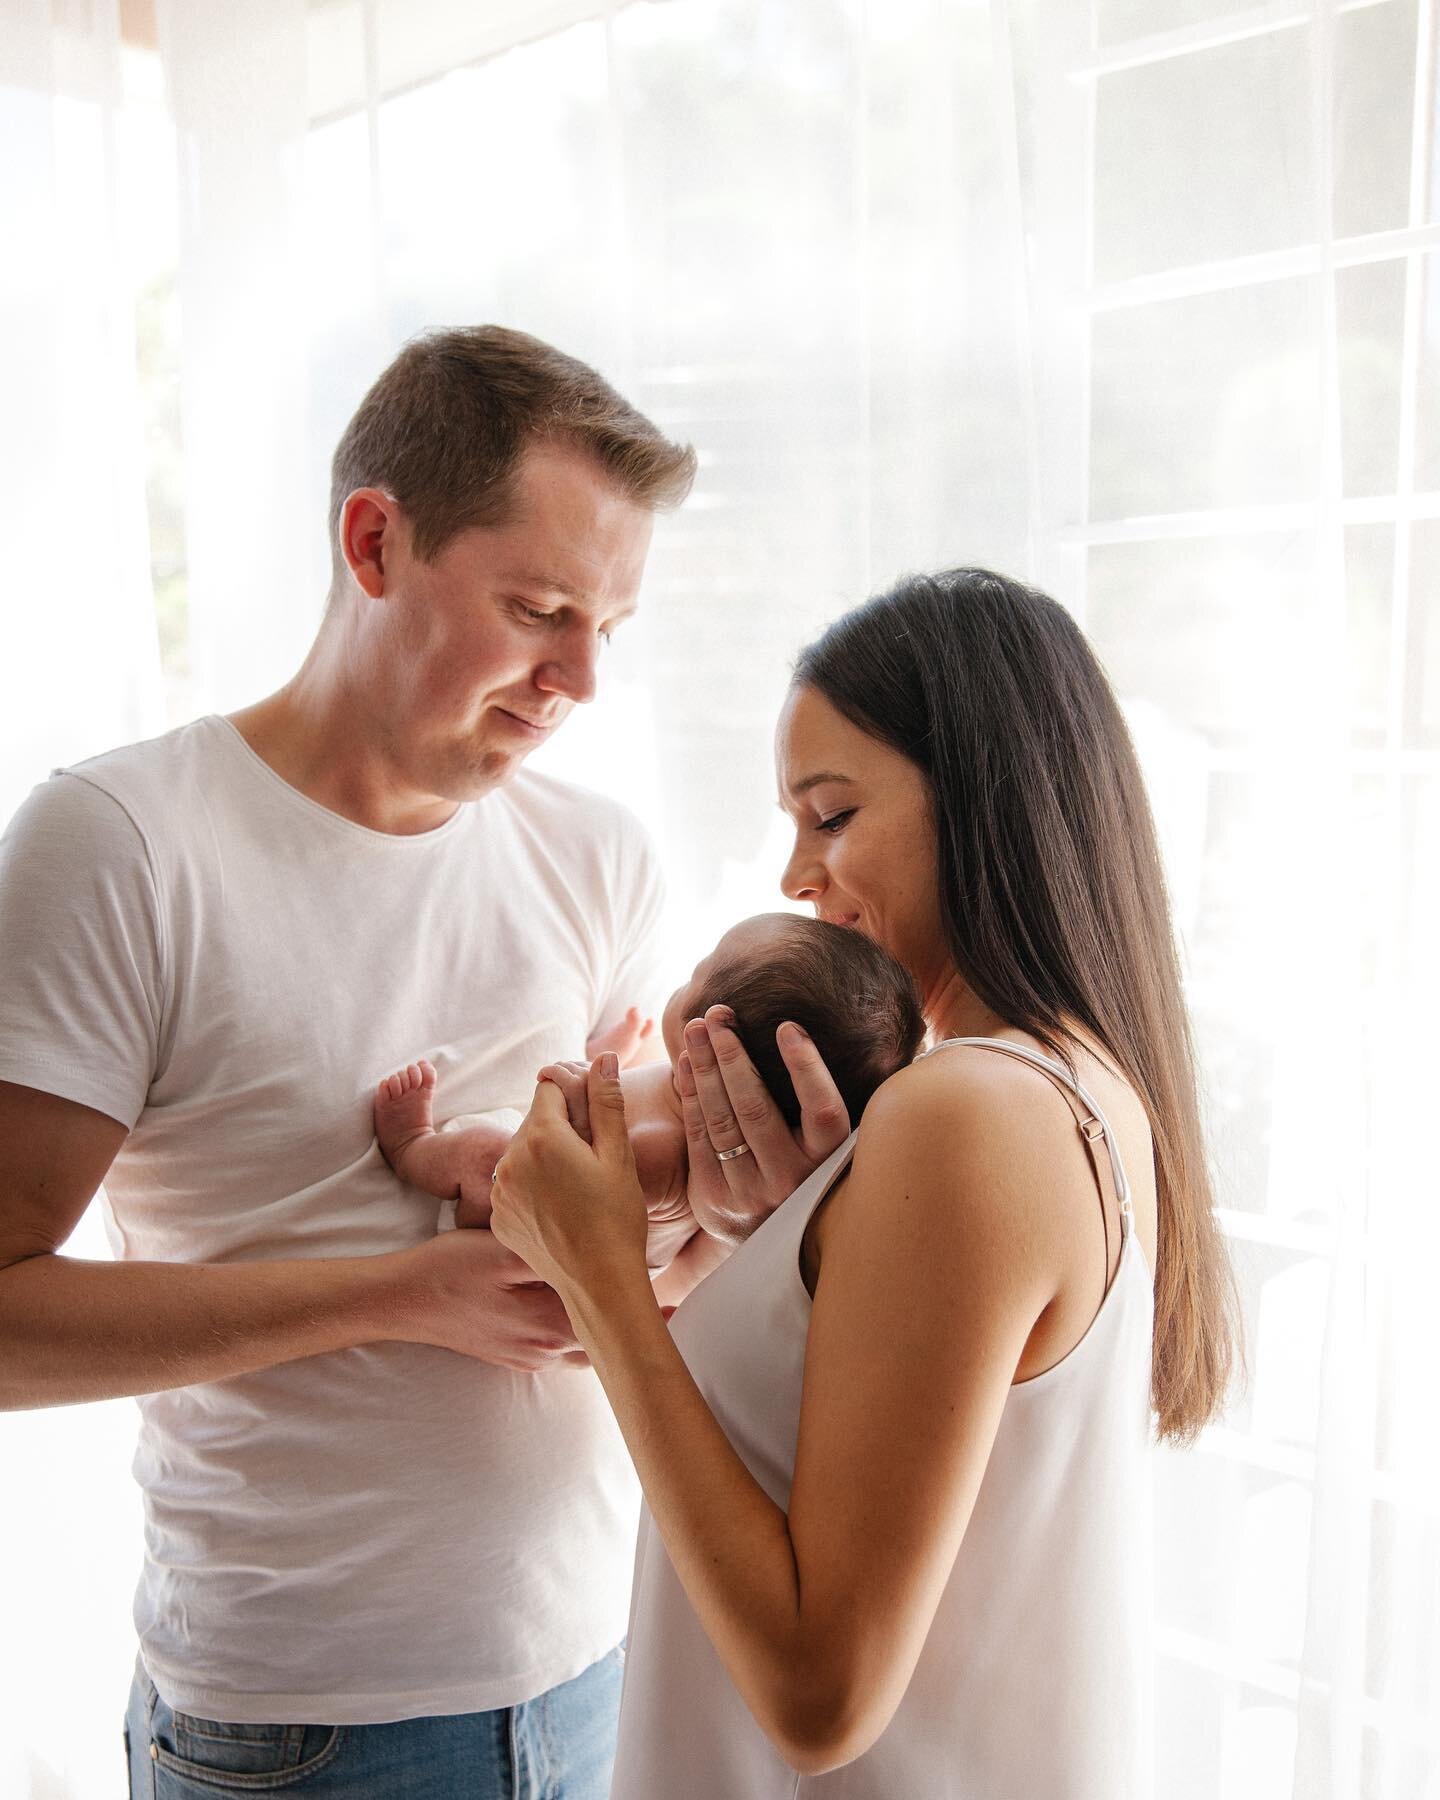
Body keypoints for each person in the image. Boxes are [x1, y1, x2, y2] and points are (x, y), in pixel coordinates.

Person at [0, 325, 819, 1800]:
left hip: (599, 1674)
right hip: (298, 1733)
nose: (580, 677)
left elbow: (639, 1265)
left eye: (607, 629)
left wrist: (725, 1240)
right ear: (375, 542)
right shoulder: (123, 847)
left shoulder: (598, 858)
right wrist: (396, 1297)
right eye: (539, 608)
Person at [489, 567, 1241, 1797]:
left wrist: (601, 1283)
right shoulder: (1077, 1088)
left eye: (830, 817)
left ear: (986, 807)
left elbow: (820, 1693)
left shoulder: (968, 1113)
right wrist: (769, 1242)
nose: (796, 874)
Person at [373, 911, 926, 1262]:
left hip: (501, 1231)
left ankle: (412, 1146)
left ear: (708, 1042)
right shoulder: (683, 1098)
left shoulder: (658, 1153)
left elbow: (570, 1194)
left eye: (699, 971)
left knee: (481, 1152)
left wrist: (573, 1101)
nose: (684, 977)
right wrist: (606, 1062)